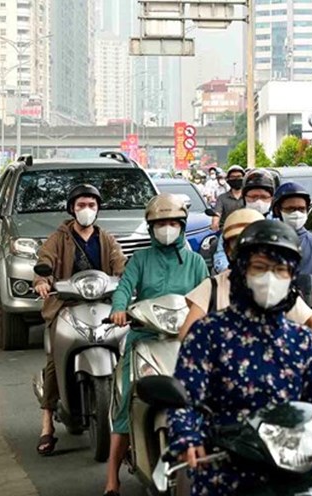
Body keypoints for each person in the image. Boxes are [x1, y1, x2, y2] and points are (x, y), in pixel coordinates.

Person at [167, 220, 312, 494]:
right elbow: (184, 398)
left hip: (297, 471)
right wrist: (187, 435)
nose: (270, 278)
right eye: (260, 268)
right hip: (225, 470)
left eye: (280, 270)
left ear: (291, 277)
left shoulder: (303, 341)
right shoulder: (207, 334)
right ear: (241, 272)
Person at [103, 193, 208, 496]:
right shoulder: (140, 259)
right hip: (145, 338)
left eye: (173, 222)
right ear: (151, 227)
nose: (167, 228)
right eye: (160, 223)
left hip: (186, 341)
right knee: (125, 401)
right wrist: (119, 309)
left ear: (182, 225)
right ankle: (112, 474)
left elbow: (207, 293)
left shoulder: (195, 262)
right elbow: (124, 289)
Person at [180, 208, 312, 369]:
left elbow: (311, 321)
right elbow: (188, 335)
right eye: (239, 244)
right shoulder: (213, 287)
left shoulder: (277, 289)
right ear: (227, 249)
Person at [33, 185, 127, 456]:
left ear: (98, 209)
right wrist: (42, 280)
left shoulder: (106, 238)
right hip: (65, 304)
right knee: (53, 360)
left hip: (103, 304)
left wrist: (129, 279)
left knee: (128, 349)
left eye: (91, 205)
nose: (86, 210)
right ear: (72, 208)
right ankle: (47, 426)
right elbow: (45, 260)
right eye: (81, 205)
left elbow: (120, 263)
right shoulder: (59, 237)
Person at [213, 169, 276, 273]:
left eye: (264, 197)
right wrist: (230, 273)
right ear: (244, 198)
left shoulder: (278, 224)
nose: (258, 201)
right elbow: (221, 254)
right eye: (253, 197)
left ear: (271, 199)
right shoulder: (236, 221)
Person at [210, 165, 245, 232]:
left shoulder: (248, 197)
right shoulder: (222, 198)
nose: (236, 179)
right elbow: (217, 214)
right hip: (227, 231)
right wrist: (215, 223)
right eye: (233, 177)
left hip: (246, 232)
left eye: (239, 177)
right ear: (228, 179)